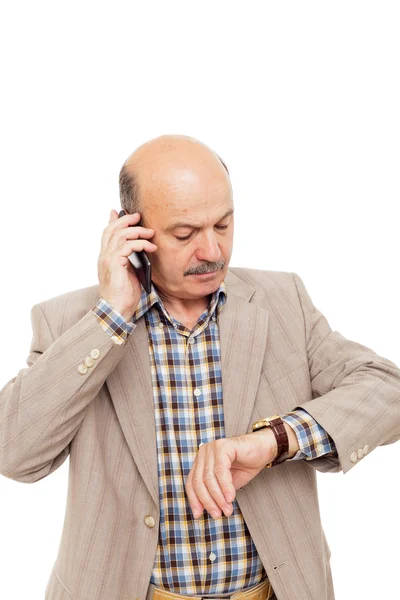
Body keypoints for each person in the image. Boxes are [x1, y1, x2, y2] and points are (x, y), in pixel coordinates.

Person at [0, 134, 399, 600]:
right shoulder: (71, 322)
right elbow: (15, 453)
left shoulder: (283, 301)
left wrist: (274, 440)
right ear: (134, 233)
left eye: (223, 225)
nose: (212, 251)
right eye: (185, 234)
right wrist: (111, 317)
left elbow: (386, 389)